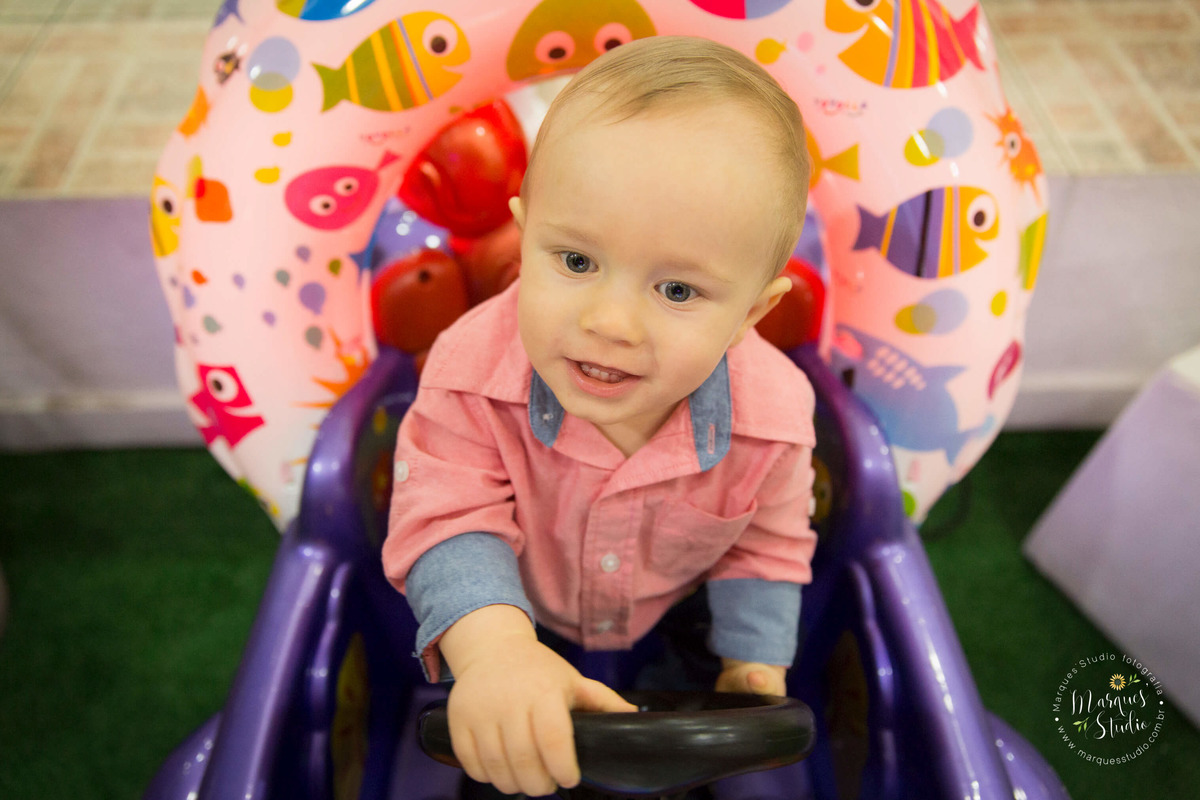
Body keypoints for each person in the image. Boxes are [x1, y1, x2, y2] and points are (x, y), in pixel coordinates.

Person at [384, 35, 816, 797]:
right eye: (576, 262)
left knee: (676, 763)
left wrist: (752, 669)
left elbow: (767, 548)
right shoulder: (468, 371)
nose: (610, 322)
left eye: (677, 291)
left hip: (673, 617)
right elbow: (448, 518)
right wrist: (495, 655)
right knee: (504, 752)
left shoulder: (774, 417)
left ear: (753, 311)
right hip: (511, 608)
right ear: (524, 235)